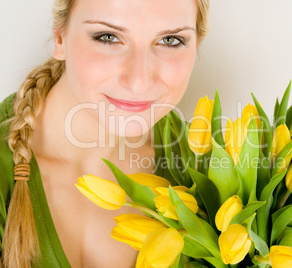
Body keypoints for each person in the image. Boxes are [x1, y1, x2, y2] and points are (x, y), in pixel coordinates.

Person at [0, 0, 210, 267]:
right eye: (108, 37)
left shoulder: (211, 173)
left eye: (170, 40)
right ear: (60, 36)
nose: (139, 82)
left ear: (197, 44)